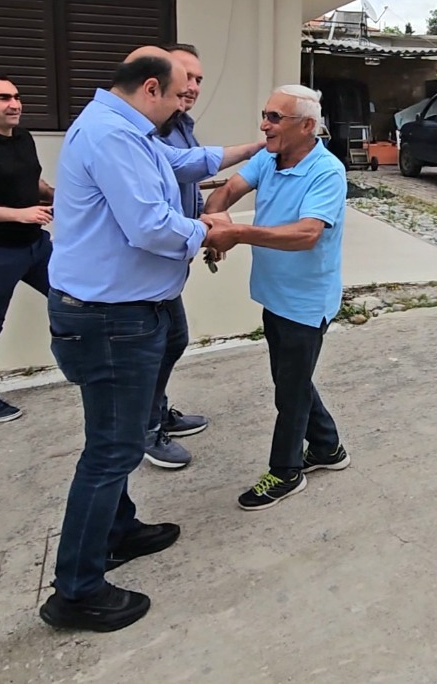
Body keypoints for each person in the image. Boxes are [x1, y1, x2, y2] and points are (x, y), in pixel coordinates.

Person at [39, 46, 264, 633]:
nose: (187, 99)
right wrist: (213, 229)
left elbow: (179, 164)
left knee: (113, 439)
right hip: (111, 320)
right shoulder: (113, 136)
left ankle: (117, 531)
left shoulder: (127, 130)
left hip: (124, 313)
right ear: (150, 89)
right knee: (111, 450)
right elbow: (148, 226)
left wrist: (251, 150)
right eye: (181, 88)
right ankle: (77, 591)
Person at [203, 85, 351, 511]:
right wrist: (216, 219)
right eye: (264, 114)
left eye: (274, 118)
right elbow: (226, 191)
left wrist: (237, 233)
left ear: (307, 126)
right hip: (274, 294)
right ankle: (327, 447)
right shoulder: (269, 158)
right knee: (292, 380)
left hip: (306, 301)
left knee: (290, 391)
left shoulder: (327, 172)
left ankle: (286, 472)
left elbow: (307, 234)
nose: (264, 125)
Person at [143, 43, 207, 470]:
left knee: (173, 340)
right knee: (159, 344)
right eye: (186, 76)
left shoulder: (180, 124)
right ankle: (147, 430)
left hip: (174, 255)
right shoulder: (148, 131)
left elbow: (191, 174)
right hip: (150, 260)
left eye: (199, 79)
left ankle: (156, 413)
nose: (193, 86)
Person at [0, 75, 54, 423]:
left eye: (17, 97)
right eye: (4, 98)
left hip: (35, 245)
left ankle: (90, 366)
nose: (14, 104)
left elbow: (31, 178)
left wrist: (54, 194)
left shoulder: (23, 138)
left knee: (76, 295)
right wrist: (19, 214)